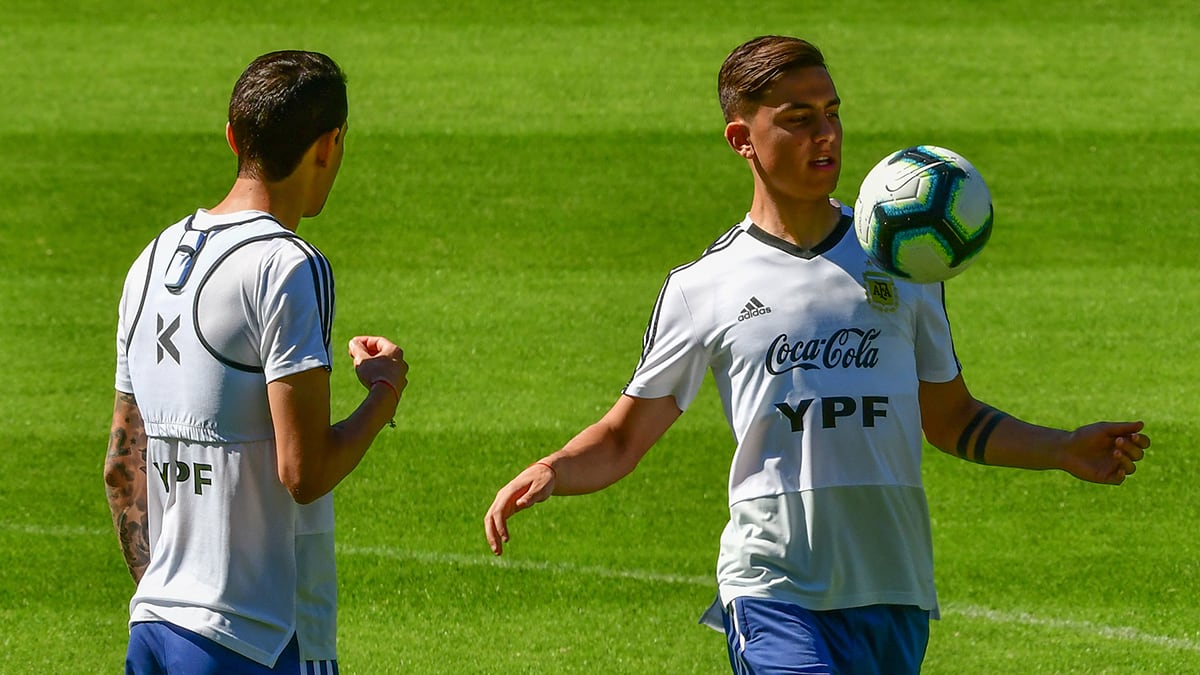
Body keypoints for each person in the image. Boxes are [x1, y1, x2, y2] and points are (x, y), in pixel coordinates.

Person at [483, 35, 1149, 674]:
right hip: (774, 588)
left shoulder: (903, 261)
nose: (825, 134)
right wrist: (554, 467)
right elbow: (624, 436)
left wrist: (1061, 448)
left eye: (831, 114)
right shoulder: (703, 287)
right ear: (742, 139)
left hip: (894, 586)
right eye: (798, 119)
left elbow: (951, 418)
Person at [103, 50, 408, 674]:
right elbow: (305, 471)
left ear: (232, 137)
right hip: (256, 642)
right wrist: (383, 396)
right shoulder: (289, 265)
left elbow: (119, 468)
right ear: (329, 145)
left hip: (155, 630)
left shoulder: (149, 261)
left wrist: (164, 592)